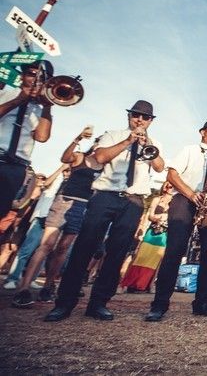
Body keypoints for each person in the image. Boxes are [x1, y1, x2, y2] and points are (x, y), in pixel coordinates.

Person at [45, 100, 165, 322]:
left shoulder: (152, 142)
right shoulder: (113, 134)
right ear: (129, 116)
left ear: (150, 121)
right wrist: (129, 140)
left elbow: (159, 166)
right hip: (106, 195)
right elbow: (99, 158)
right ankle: (65, 302)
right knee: (85, 247)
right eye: (136, 115)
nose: (140, 120)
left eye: (145, 117)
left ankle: (99, 302)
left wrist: (147, 143)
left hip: (133, 200)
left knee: (117, 252)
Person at [144, 119, 207, 321]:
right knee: (174, 250)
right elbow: (172, 175)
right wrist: (192, 195)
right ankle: (159, 305)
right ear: (202, 132)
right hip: (185, 199)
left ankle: (202, 303)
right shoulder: (189, 150)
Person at [12, 128, 101, 307]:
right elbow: (64, 158)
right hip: (64, 202)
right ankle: (23, 288)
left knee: (63, 249)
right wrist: (77, 138)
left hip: (83, 206)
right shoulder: (79, 157)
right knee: (46, 245)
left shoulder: (106, 166)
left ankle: (48, 286)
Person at [0, 60, 54, 219]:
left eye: (43, 77)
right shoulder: (5, 94)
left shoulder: (40, 110)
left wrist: (47, 106)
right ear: (22, 76)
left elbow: (42, 137)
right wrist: (19, 99)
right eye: (31, 74)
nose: (37, 80)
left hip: (16, 166)